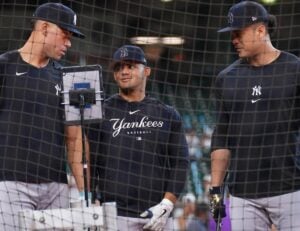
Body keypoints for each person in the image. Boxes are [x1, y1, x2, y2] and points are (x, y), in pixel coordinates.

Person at [209, 1, 300, 231]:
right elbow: (221, 137)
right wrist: (215, 191)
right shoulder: (226, 78)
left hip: (291, 189)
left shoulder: (294, 69)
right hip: (243, 194)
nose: (234, 40)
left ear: (261, 30)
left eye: (238, 33)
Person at [0, 3, 85, 230]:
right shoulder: (4, 67)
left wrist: (86, 193)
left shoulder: (68, 78)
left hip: (56, 189)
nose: (68, 43)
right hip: (9, 185)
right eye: (65, 35)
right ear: (45, 28)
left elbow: (75, 140)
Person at [88, 45, 189, 231]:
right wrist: (92, 198)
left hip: (157, 214)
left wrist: (167, 205)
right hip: (114, 216)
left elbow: (180, 163)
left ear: (147, 71)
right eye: (119, 67)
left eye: (131, 66)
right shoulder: (100, 112)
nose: (124, 71)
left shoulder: (167, 114)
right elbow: (90, 159)